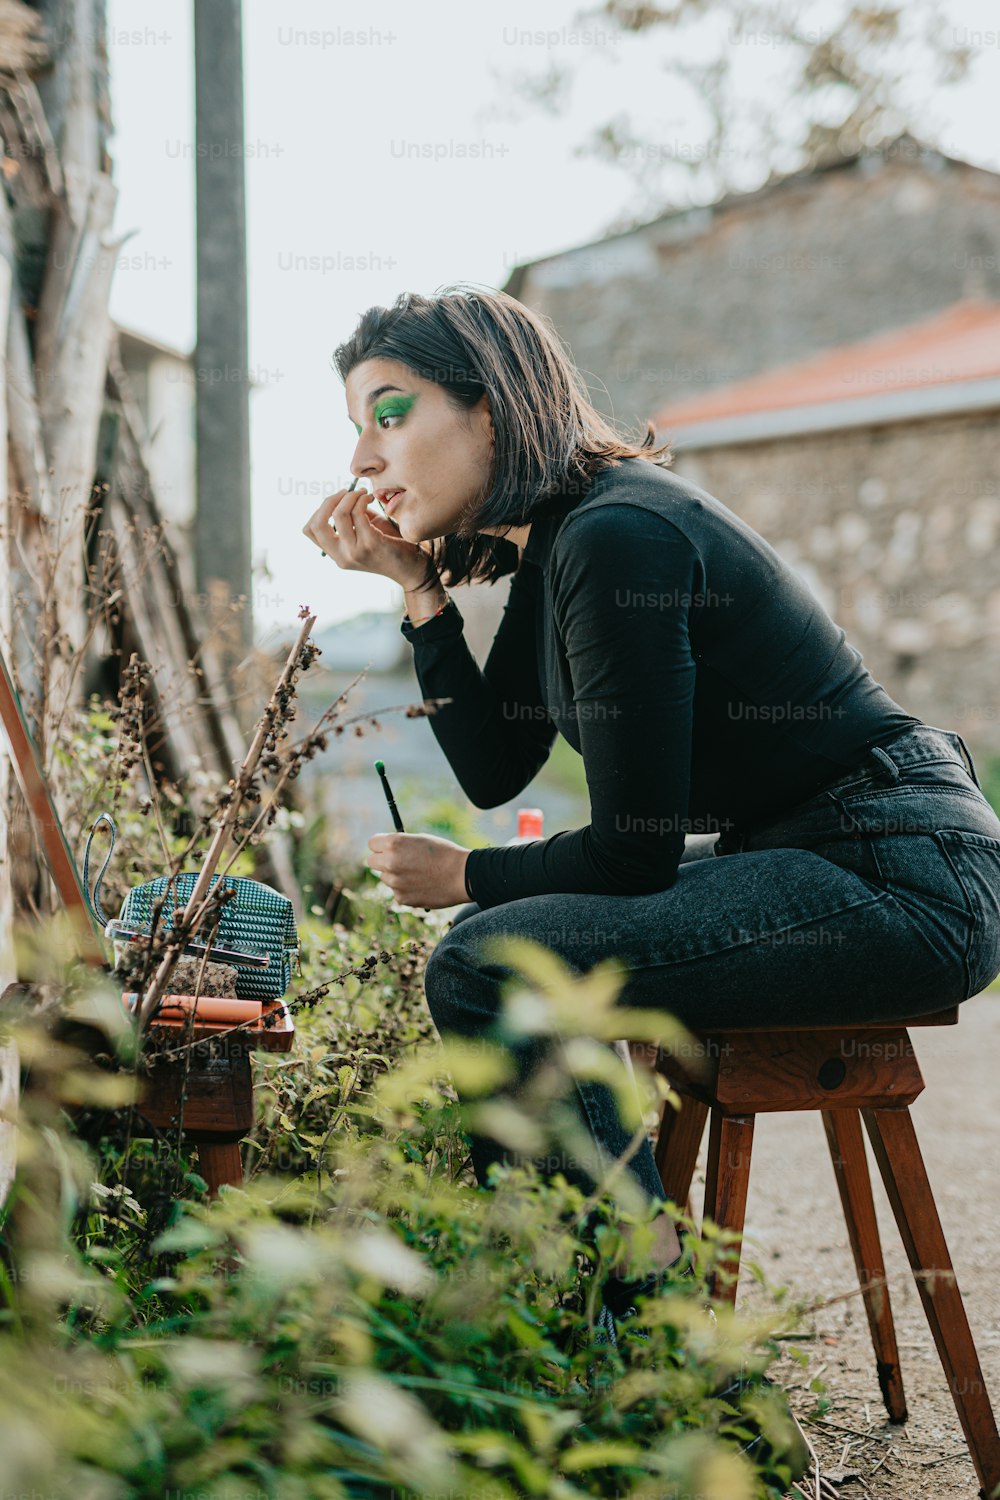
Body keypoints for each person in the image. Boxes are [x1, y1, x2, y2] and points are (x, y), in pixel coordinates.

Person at [303, 283, 1000, 1330]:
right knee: (493, 941)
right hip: (841, 857)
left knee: (483, 960)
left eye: (389, 414)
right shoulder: (566, 538)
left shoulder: (617, 534)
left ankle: (640, 1333)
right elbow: (495, 766)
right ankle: (594, 1309)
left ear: (487, 406)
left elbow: (633, 852)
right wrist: (418, 592)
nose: (363, 458)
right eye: (354, 429)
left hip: (898, 872)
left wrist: (467, 875)